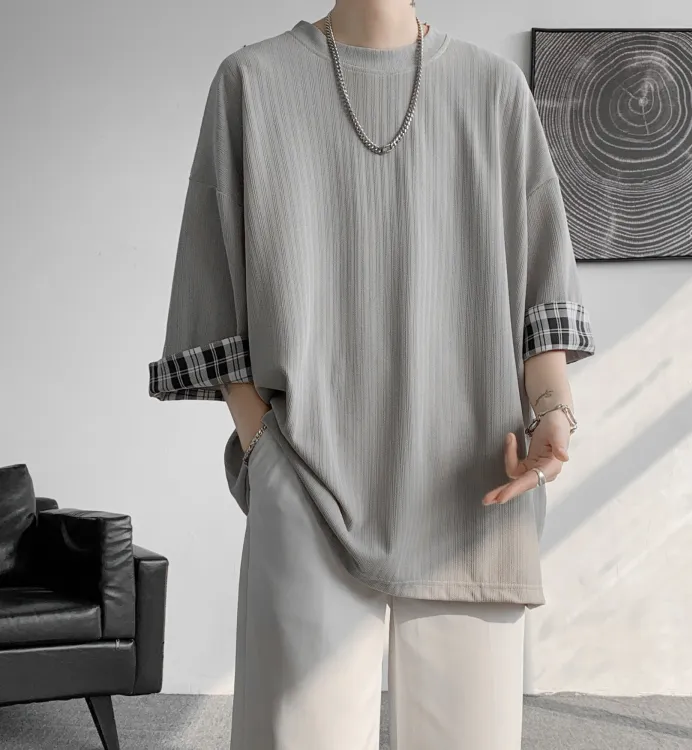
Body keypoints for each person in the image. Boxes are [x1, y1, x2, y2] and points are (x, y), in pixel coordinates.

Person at [149, 2, 595, 748]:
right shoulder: (251, 83)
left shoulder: (494, 89)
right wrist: (265, 448)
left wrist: (552, 409)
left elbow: (540, 279)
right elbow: (213, 281)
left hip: (475, 485)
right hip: (308, 479)